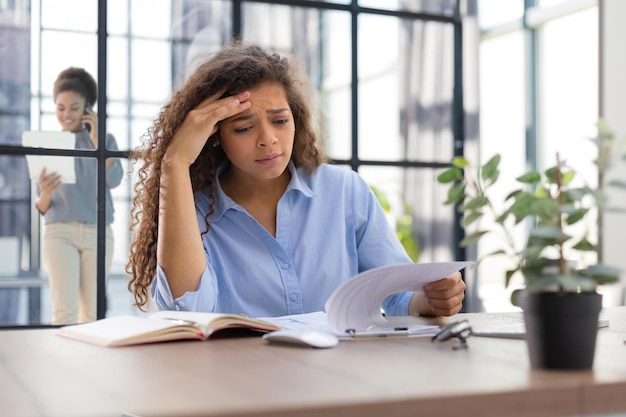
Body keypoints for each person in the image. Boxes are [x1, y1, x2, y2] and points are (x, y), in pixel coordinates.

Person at [127, 42, 465, 318]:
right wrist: (175, 161)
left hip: (339, 380)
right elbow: (188, 312)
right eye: (244, 128)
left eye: (280, 121)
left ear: (296, 119)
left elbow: (399, 298)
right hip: (238, 385)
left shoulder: (344, 191)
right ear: (214, 135)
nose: (268, 139)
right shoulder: (196, 209)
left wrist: (431, 300)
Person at [36, 67, 123, 324]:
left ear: (88, 108)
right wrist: (47, 192)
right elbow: (41, 206)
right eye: (60, 108)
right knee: (64, 311)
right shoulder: (49, 145)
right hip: (60, 232)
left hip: (97, 233)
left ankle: (89, 365)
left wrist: (98, 143)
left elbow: (114, 180)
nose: (66, 114)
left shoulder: (105, 140)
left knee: (93, 314)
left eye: (74, 107)